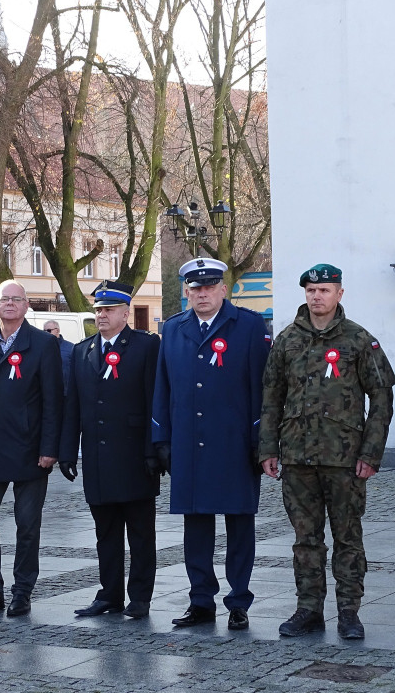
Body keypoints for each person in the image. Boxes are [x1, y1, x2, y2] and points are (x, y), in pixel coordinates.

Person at [260, 264, 395, 639]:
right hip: (298, 458)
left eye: (324, 289)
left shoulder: (357, 340)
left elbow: (383, 395)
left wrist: (371, 452)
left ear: (339, 293)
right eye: (311, 290)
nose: (317, 296)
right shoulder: (286, 340)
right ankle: (308, 609)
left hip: (345, 460)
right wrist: (268, 449)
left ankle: (349, 612)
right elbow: (271, 399)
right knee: (306, 540)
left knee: (348, 538)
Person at [152, 257, 269, 630]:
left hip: (234, 443)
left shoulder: (249, 326)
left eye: (209, 287)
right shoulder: (172, 329)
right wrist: (162, 437)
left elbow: (263, 388)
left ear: (224, 289)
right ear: (187, 292)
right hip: (189, 443)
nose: (202, 294)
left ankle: (238, 601)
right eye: (195, 288)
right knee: (196, 525)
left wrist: (260, 440)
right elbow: (162, 387)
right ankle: (200, 599)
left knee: (239, 524)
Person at [0, 280, 63, 618]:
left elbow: (53, 400)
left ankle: (22, 592)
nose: (10, 304)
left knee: (27, 524)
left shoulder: (44, 344)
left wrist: (50, 448)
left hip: (31, 450)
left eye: (16, 300)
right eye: (4, 299)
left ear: (26, 305)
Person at [59, 280, 161, 619]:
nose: (101, 315)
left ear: (125, 313)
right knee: (106, 534)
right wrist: (67, 450)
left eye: (108, 310)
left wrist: (154, 450)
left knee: (141, 534)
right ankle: (109, 594)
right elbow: (72, 403)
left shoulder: (146, 347)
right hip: (99, 459)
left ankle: (140, 596)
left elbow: (154, 401)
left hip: (134, 457)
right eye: (98, 309)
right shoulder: (82, 350)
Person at [44, 320, 74, 394]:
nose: (46, 333)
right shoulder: (41, 348)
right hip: (46, 392)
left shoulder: (71, 348)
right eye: (44, 331)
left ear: (57, 330)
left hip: (65, 393)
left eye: (48, 331)